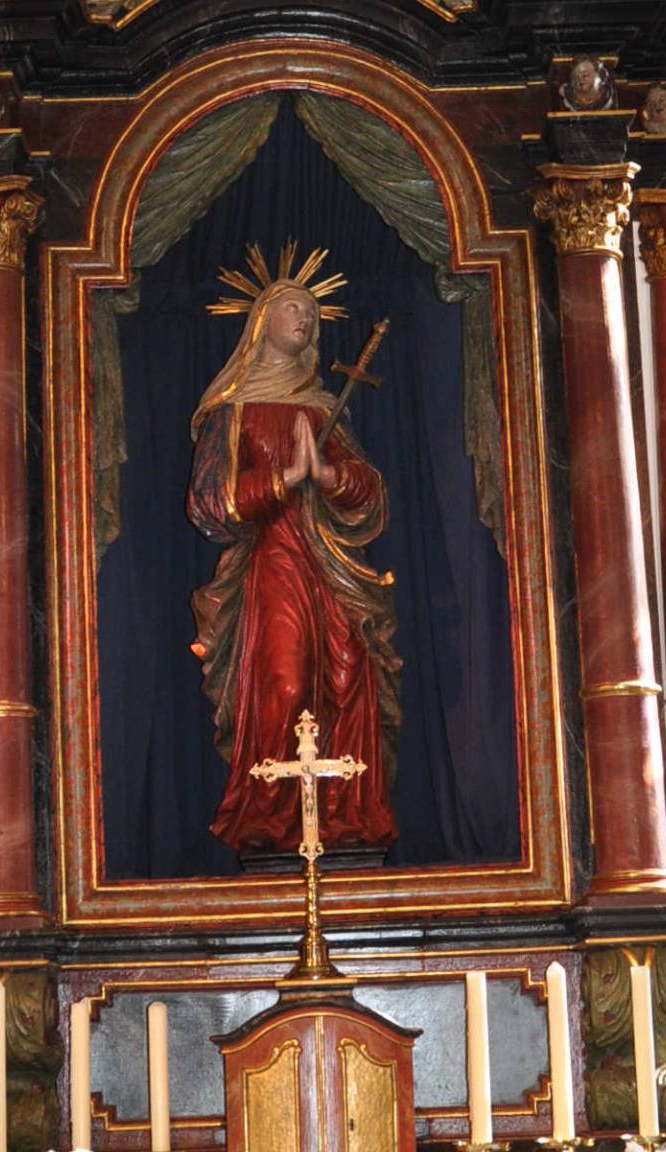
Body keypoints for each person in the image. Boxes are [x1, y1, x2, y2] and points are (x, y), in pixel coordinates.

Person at [187, 255, 401, 855]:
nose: (305, 317)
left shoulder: (323, 406)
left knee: (349, 674)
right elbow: (210, 502)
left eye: (311, 310)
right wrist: (284, 478)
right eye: (292, 307)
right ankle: (273, 822)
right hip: (272, 562)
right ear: (262, 322)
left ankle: (346, 819)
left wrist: (329, 475)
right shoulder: (230, 410)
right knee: (284, 685)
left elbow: (369, 492)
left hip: (330, 564)